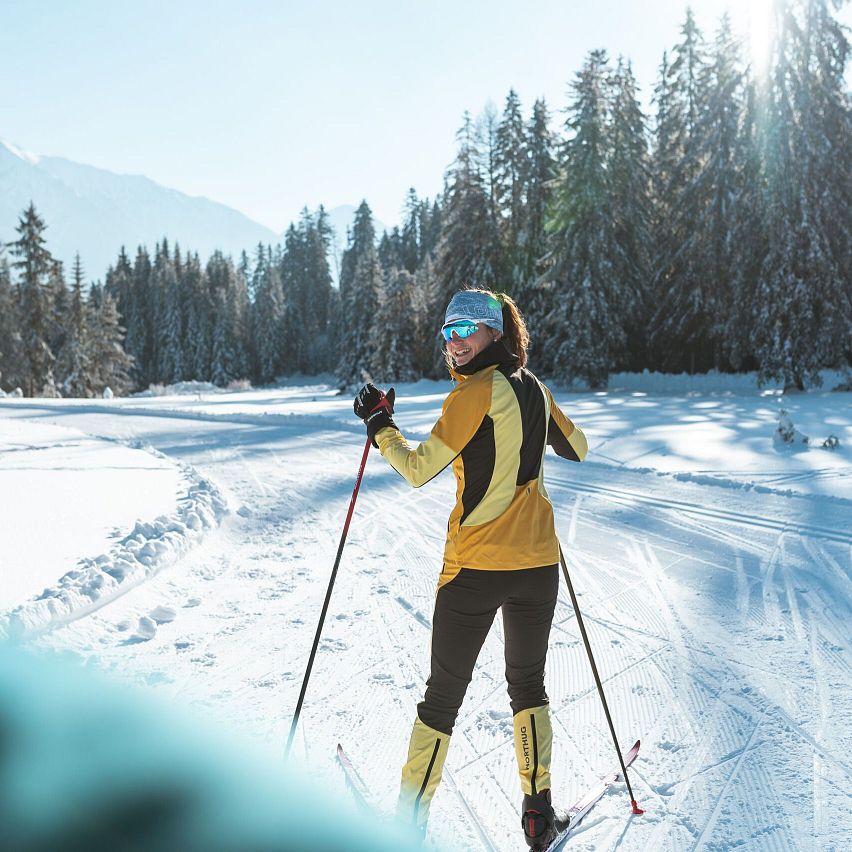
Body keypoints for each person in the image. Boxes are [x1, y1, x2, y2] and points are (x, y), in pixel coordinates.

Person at [353, 288, 588, 850]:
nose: (454, 342)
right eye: (447, 331)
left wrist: (381, 425)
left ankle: (408, 825)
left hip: (474, 571)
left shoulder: (470, 397)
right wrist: (538, 433)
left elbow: (416, 468)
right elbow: (577, 447)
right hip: (538, 566)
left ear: (494, 333)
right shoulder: (534, 387)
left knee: (442, 699)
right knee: (528, 686)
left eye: (466, 330)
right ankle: (538, 817)